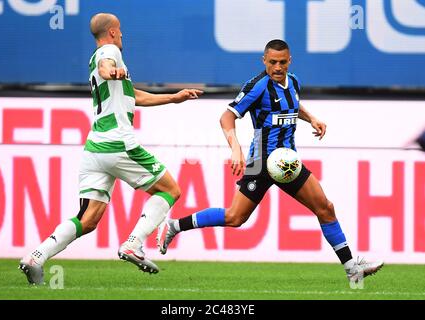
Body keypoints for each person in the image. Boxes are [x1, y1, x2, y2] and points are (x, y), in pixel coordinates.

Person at [158, 39, 383, 284]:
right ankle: (175, 226)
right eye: (272, 62)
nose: (277, 67)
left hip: (287, 162)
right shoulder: (257, 86)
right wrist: (236, 149)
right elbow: (226, 118)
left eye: (282, 62)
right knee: (235, 218)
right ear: (264, 61)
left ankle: (352, 269)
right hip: (260, 162)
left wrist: (312, 119)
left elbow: (294, 107)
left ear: (290, 61)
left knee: (325, 208)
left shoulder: (294, 81)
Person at [19, 13, 203, 285]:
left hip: (96, 147)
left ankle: (36, 257)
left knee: (89, 217)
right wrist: (113, 69)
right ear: (114, 32)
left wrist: (174, 98)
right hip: (118, 142)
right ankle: (133, 243)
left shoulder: (99, 60)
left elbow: (134, 95)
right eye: (121, 32)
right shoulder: (109, 52)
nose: (122, 36)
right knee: (170, 190)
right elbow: (108, 68)